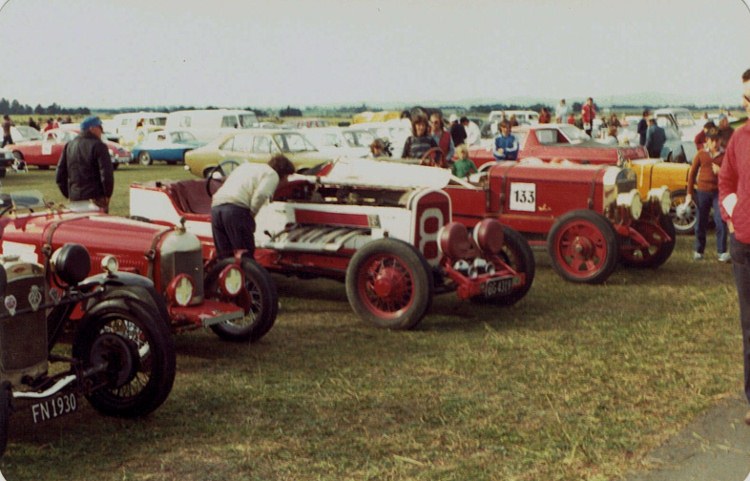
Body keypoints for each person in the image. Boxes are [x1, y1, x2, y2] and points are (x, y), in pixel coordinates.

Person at [717, 67, 750, 425]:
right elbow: (726, 181)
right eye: (745, 99)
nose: (748, 105)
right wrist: (732, 210)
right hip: (744, 245)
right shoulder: (739, 139)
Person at [211, 154, 295, 260]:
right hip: (236, 209)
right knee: (244, 255)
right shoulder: (272, 174)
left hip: (216, 208)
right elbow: (261, 194)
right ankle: (247, 276)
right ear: (282, 173)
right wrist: (251, 213)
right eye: (286, 177)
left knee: (224, 256)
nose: (286, 181)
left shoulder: (245, 167)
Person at [55, 116, 114, 212]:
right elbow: (106, 174)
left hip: (75, 200)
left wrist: (69, 194)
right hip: (95, 199)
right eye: (100, 128)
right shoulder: (99, 146)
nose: (101, 131)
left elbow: (59, 176)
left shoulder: (69, 145)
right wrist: (107, 195)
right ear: (92, 129)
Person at [686, 129, 729, 261]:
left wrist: (721, 171)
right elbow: (692, 174)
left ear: (720, 140)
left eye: (717, 140)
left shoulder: (725, 155)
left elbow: (731, 174)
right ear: (707, 141)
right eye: (712, 140)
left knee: (720, 221)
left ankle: (722, 252)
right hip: (702, 192)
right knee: (700, 222)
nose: (715, 143)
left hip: (718, 192)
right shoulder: (701, 154)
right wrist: (689, 193)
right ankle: (699, 251)